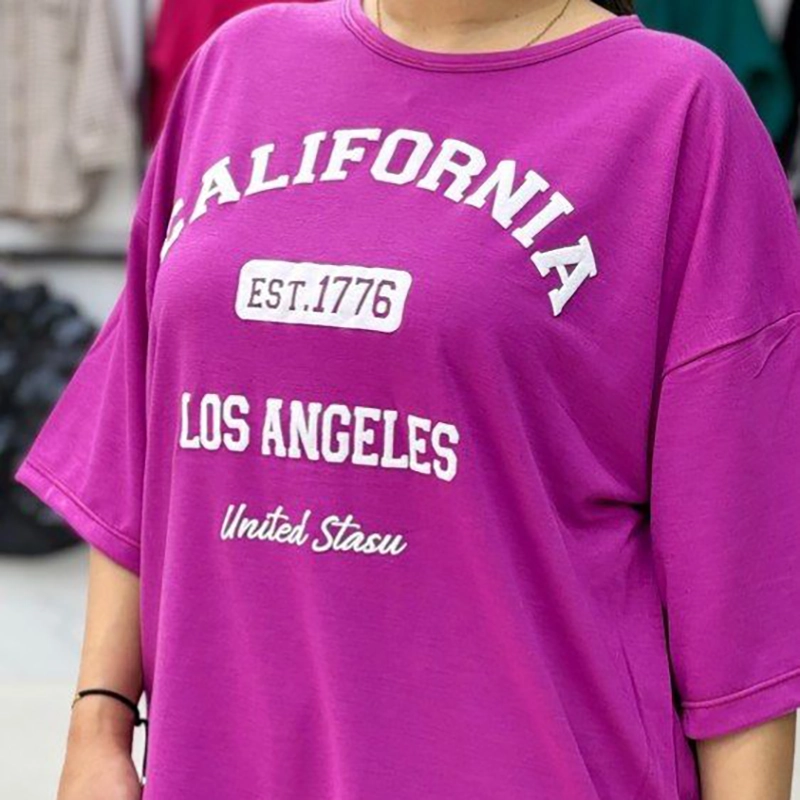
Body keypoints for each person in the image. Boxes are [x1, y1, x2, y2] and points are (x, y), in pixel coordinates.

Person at [14, 0, 800, 798]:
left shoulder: (678, 108)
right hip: (222, 769)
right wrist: (98, 724)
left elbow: (744, 594)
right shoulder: (238, 64)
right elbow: (137, 448)